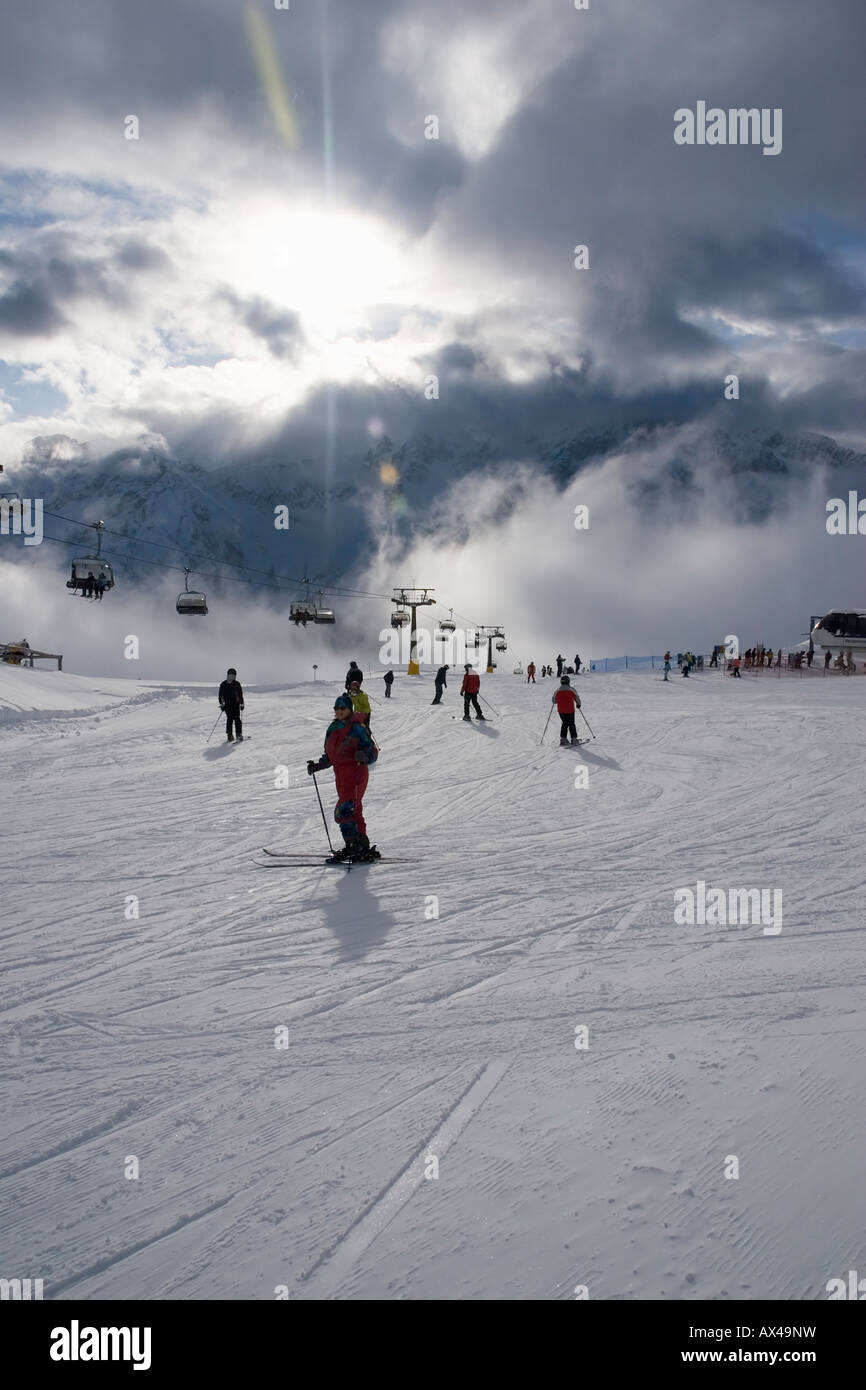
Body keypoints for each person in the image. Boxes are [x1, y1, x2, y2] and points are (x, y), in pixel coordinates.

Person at [307, 693, 379, 861]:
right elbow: (331, 756)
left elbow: (373, 751)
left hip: (356, 774)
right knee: (355, 810)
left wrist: (364, 755)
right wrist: (317, 766)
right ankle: (361, 844)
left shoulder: (357, 728)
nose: (339, 711)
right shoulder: (333, 729)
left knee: (344, 810)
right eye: (336, 708)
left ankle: (352, 846)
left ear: (350, 709)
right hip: (340, 776)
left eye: (343, 708)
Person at [553, 675, 581, 745]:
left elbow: (554, 701)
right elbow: (576, 697)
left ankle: (563, 739)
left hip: (561, 711)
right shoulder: (571, 689)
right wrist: (578, 704)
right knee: (571, 724)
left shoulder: (557, 691)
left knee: (564, 723)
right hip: (570, 710)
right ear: (568, 681)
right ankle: (574, 739)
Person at [218, 667, 245, 741]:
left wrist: (222, 705)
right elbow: (240, 695)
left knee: (230, 719)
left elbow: (220, 696)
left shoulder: (223, 684)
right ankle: (238, 734)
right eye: (231, 675)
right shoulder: (235, 684)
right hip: (234, 705)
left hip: (228, 705)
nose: (232, 677)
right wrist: (241, 704)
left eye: (232, 676)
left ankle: (230, 735)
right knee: (236, 719)